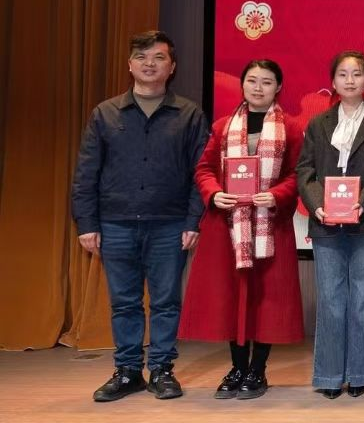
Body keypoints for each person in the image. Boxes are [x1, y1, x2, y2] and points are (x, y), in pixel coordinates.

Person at [72, 30, 208, 402]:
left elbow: (201, 173)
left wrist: (193, 221)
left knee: (166, 302)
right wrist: (87, 224)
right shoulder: (105, 113)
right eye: (142, 57)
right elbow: (86, 173)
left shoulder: (189, 114)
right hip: (114, 222)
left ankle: (162, 370)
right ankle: (128, 371)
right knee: (124, 302)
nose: (150, 64)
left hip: (170, 224)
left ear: (172, 66)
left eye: (159, 57)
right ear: (130, 65)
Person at [180, 58, 304, 399]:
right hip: (228, 227)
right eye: (252, 80)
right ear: (243, 85)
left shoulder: (291, 128)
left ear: (278, 87)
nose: (258, 88)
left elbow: (299, 174)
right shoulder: (223, 126)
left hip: (270, 227)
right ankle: (237, 367)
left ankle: (257, 370)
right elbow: (204, 169)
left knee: (266, 301)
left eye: (267, 82)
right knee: (232, 297)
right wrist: (214, 193)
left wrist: (277, 194)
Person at [296, 50, 364, 399]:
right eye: (343, 74)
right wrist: (318, 205)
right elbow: (305, 170)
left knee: (363, 299)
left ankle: (361, 373)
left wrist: (363, 201)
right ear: (333, 81)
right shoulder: (318, 123)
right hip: (326, 224)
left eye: (357, 74)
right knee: (330, 299)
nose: (350, 80)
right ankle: (328, 376)